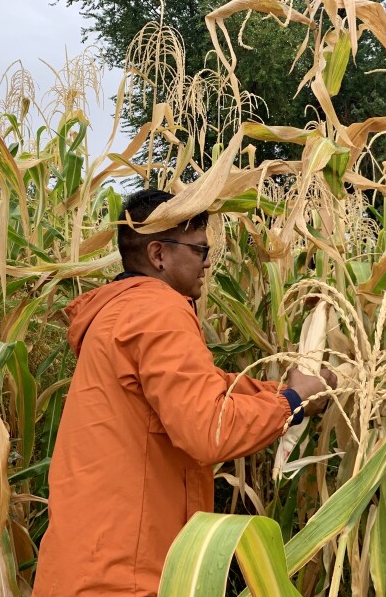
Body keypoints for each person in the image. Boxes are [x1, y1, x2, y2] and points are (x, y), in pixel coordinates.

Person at [32, 189, 335, 596]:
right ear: (159, 254)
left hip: (85, 565)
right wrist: (291, 405)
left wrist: (287, 391)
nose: (208, 262)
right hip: (126, 577)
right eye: (200, 250)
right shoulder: (158, 310)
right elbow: (208, 428)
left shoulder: (120, 314)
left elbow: (204, 388)